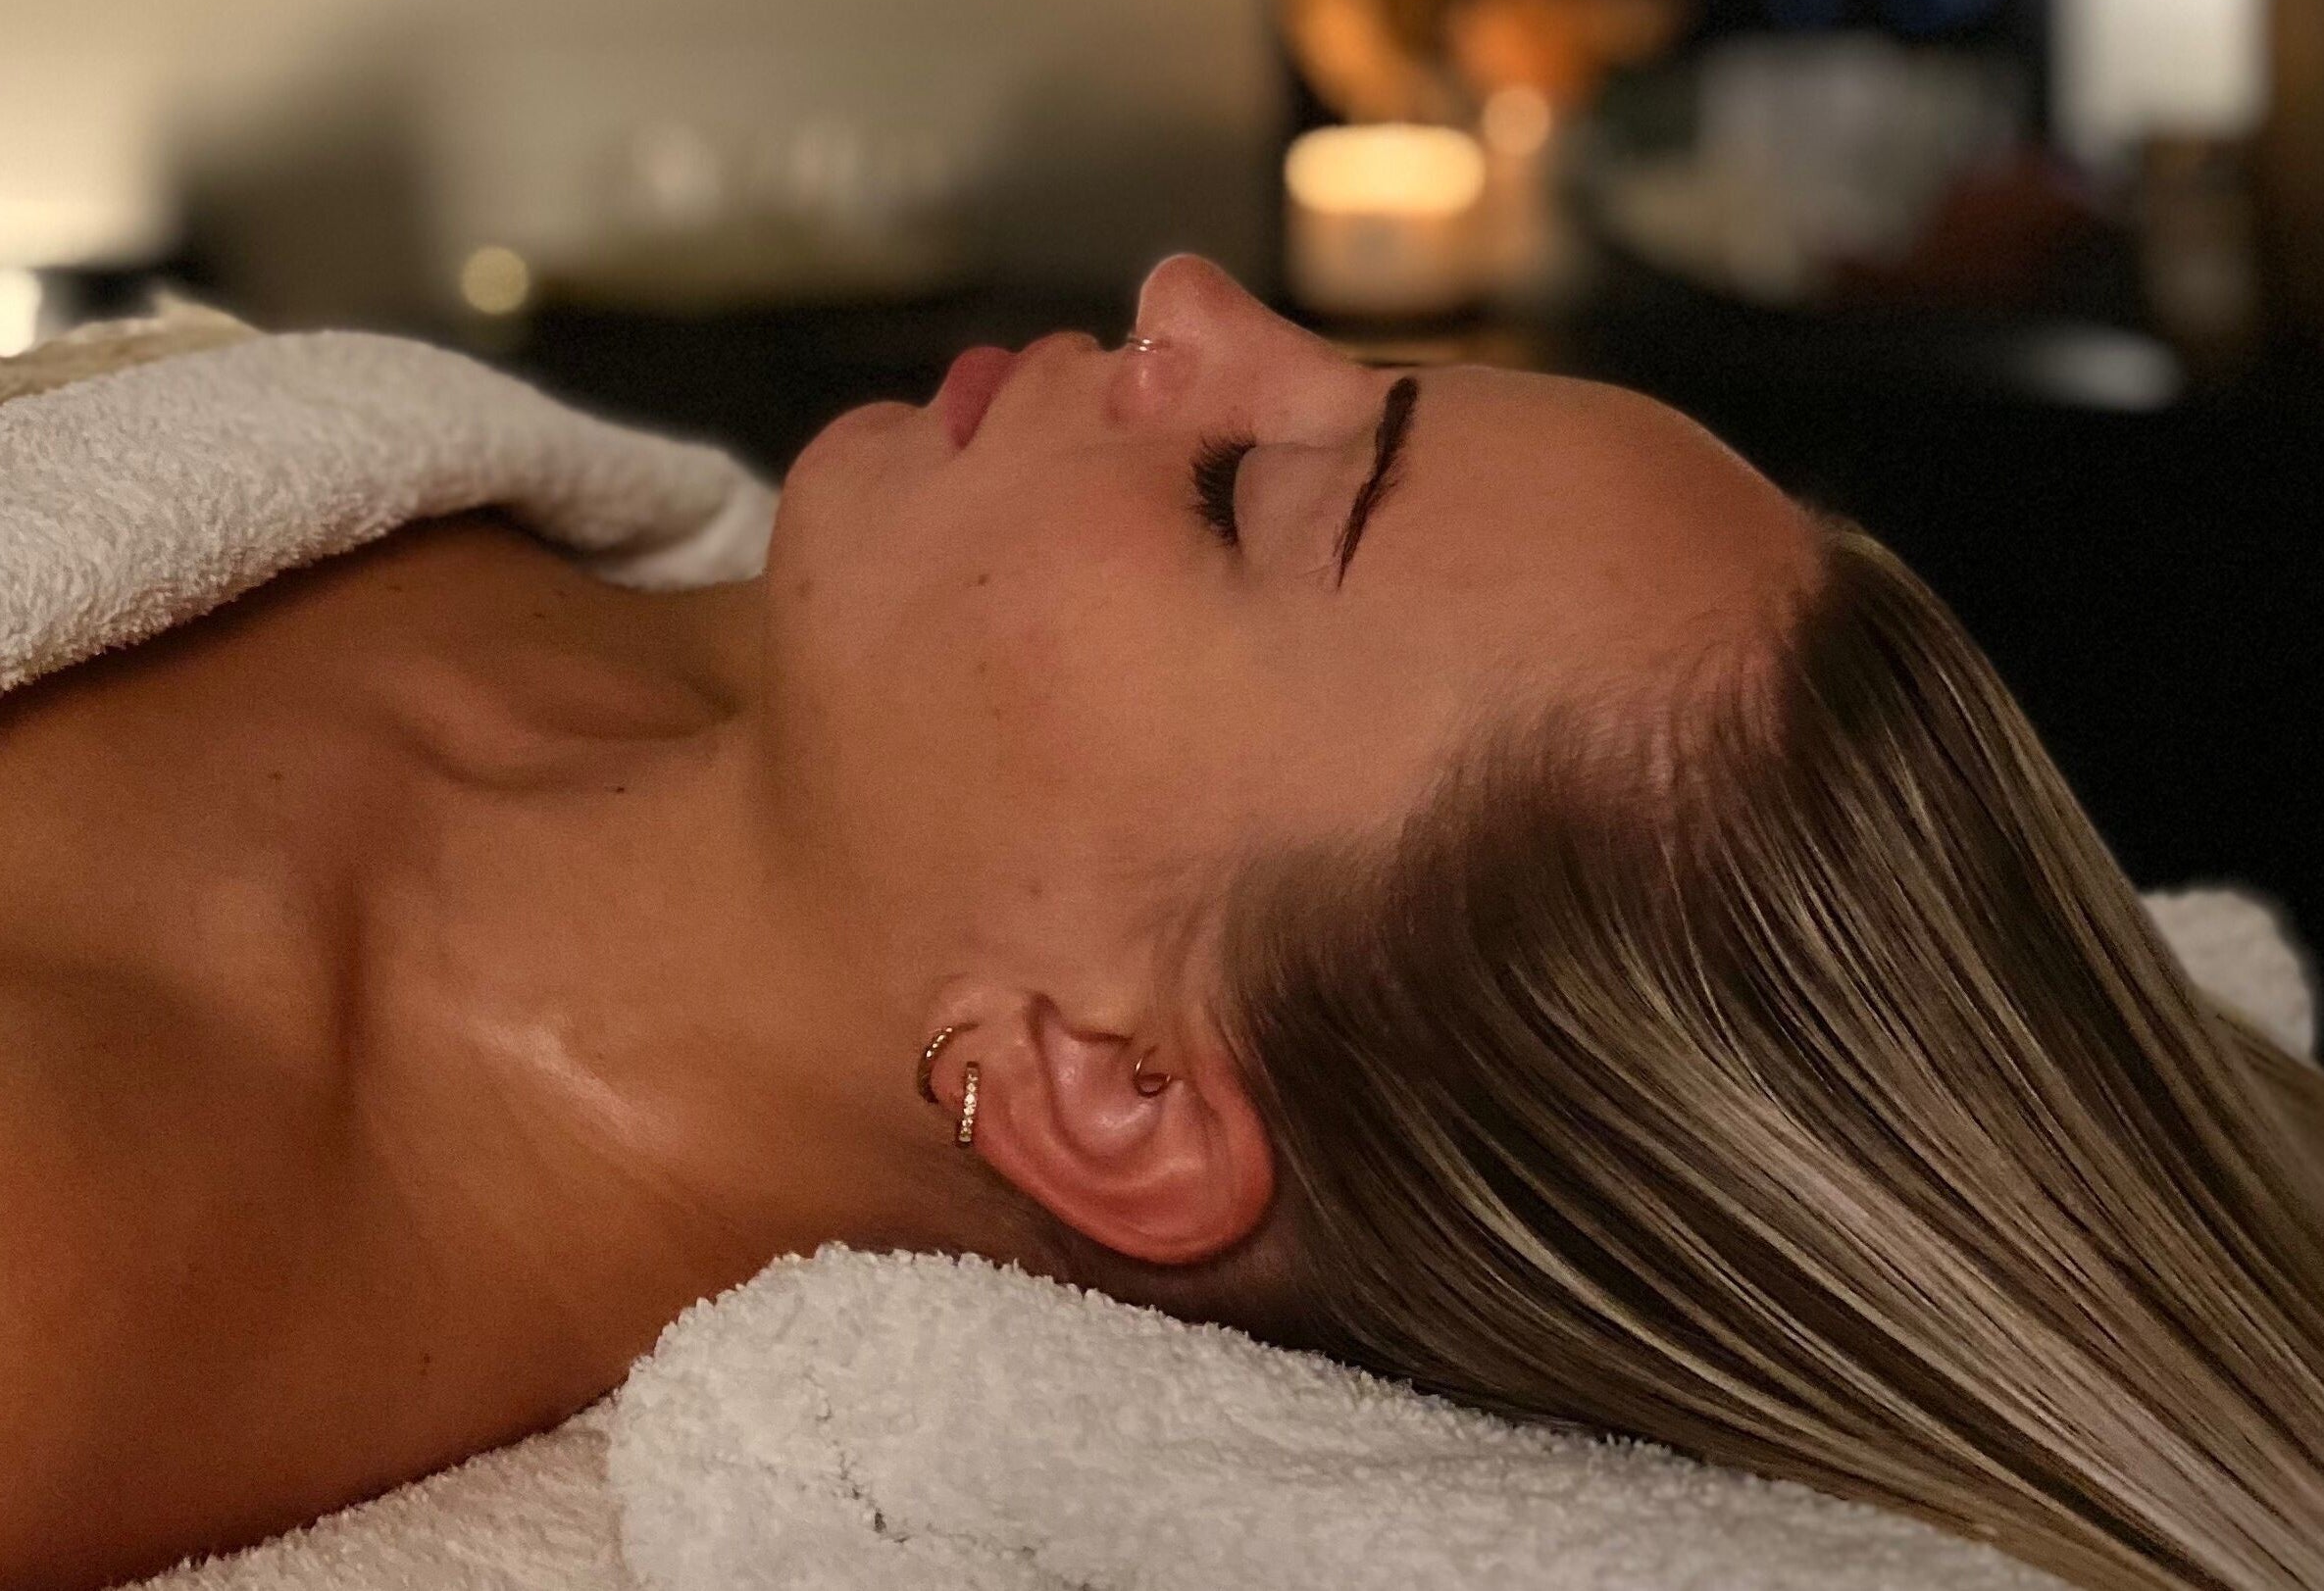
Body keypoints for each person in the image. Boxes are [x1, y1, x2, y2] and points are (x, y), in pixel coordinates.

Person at [1, 253, 2316, 1591]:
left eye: (1244, 494)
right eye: (1367, 374)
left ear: (1114, 1088)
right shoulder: (765, 639)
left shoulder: (95, 1236)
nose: (1192, 303)